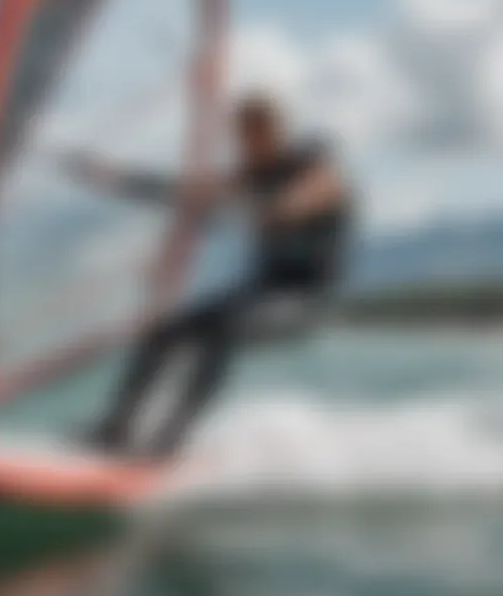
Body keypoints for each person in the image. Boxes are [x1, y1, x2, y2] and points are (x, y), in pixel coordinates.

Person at [65, 93, 353, 458]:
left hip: (304, 302)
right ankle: (115, 429)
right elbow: (185, 191)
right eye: (242, 139)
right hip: (256, 295)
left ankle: (169, 441)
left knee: (223, 329)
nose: (246, 148)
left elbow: (306, 198)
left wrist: (274, 207)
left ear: (275, 133)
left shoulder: (315, 170)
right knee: (162, 333)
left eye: (254, 138)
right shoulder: (249, 175)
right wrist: (111, 177)